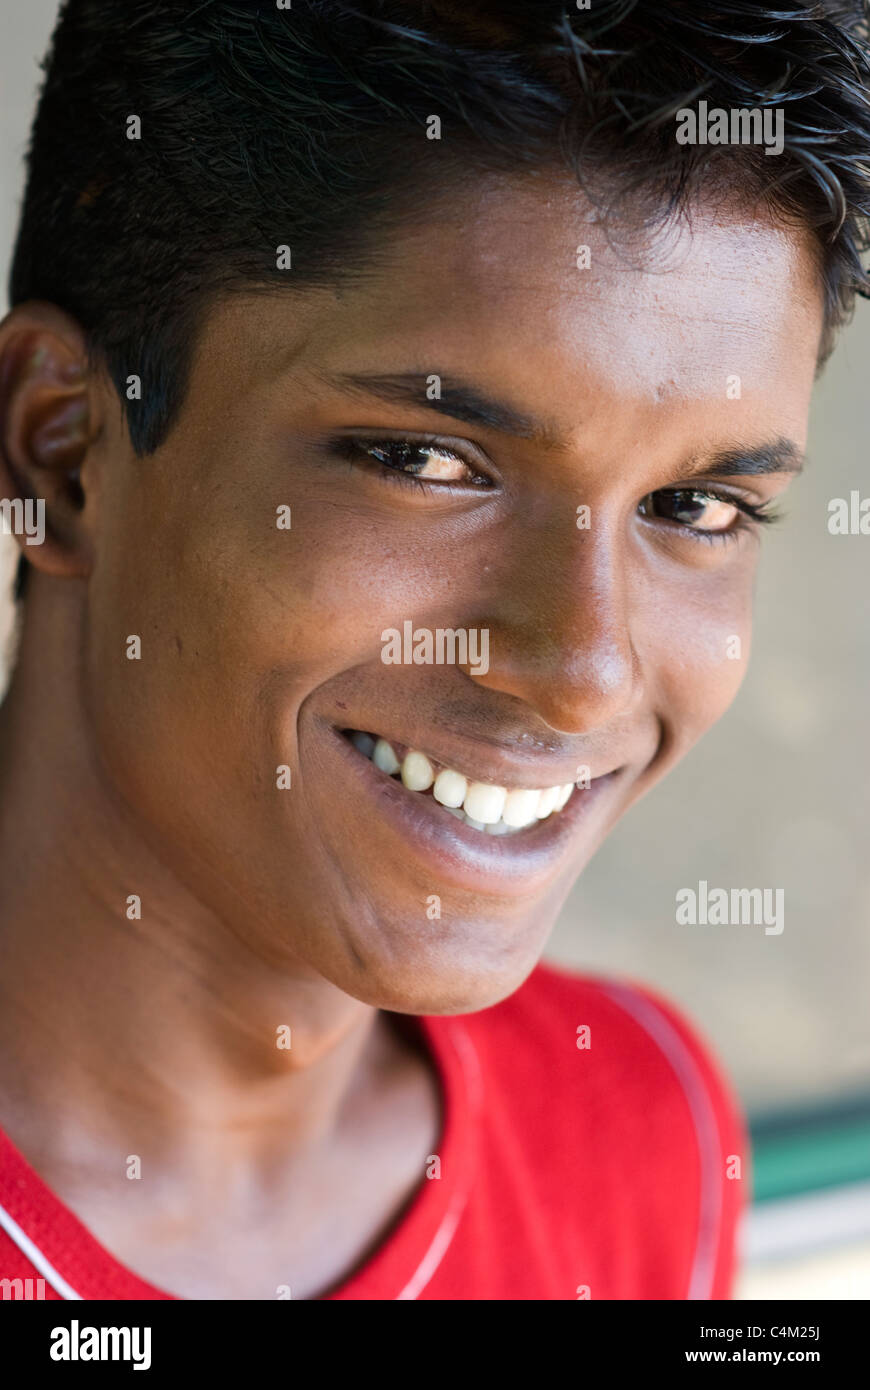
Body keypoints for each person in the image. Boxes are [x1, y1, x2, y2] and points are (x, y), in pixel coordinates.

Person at [0, 0, 867, 1301]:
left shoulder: (641, 1126)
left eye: (696, 508)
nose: (582, 666)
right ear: (62, 454)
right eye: (427, 462)